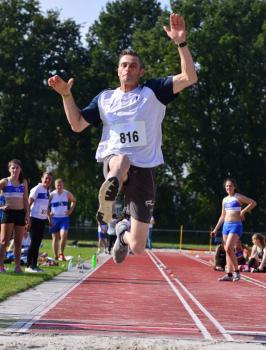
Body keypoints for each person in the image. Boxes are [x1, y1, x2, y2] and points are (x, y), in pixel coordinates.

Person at [48, 13, 197, 264]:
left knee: (138, 246)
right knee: (121, 160)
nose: (128, 68)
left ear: (141, 71)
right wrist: (66, 96)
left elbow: (190, 77)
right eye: (124, 65)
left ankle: (120, 231)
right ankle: (110, 194)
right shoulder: (105, 98)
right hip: (115, 163)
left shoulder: (153, 91)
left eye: (133, 65)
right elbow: (76, 124)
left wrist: (181, 43)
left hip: (146, 168)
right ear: (118, 70)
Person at [211, 178, 256, 282]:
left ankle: (237, 272)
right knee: (227, 251)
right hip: (225, 226)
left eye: (230, 185)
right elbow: (222, 216)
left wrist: (243, 212)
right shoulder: (224, 200)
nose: (228, 187)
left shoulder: (238, 197)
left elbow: (253, 203)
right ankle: (229, 274)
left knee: (229, 248)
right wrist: (216, 229)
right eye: (227, 186)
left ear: (234, 187)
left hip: (236, 225)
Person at [0, 159, 30, 273]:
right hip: (8, 213)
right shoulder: (5, 181)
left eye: (17, 168)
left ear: (20, 169)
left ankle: (17, 266)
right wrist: (1, 207)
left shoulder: (24, 182)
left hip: (20, 213)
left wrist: (27, 215)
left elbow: (25, 199)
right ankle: (1, 266)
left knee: (18, 242)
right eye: (13, 167)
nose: (15, 170)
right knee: (4, 241)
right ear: (9, 169)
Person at [25, 171, 53, 273]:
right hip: (34, 218)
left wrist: (49, 219)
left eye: (49, 179)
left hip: (42, 219)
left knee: (38, 243)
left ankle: (34, 265)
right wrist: (27, 218)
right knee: (33, 242)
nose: (47, 180)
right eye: (46, 178)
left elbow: (46, 207)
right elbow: (29, 203)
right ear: (42, 178)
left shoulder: (47, 191)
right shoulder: (37, 188)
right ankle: (28, 266)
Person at [48, 178, 76, 261]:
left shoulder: (66, 193)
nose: (59, 187)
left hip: (64, 218)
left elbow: (74, 201)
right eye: (57, 185)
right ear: (55, 186)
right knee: (55, 238)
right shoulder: (52, 194)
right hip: (54, 219)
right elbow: (45, 204)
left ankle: (61, 253)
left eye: (60, 185)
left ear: (63, 185)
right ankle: (56, 256)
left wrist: (70, 211)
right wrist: (49, 213)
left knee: (64, 235)